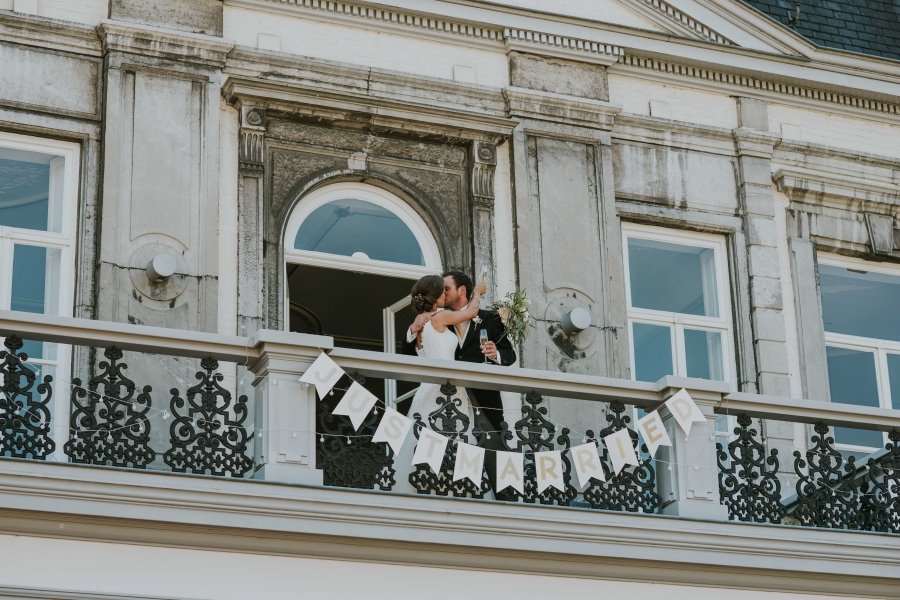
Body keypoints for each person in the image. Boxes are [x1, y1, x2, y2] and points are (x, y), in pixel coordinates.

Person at [392, 274, 487, 493]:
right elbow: (471, 312)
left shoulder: (419, 325)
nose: (446, 294)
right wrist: (476, 293)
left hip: (427, 391)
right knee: (451, 438)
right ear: (435, 295)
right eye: (442, 291)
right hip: (447, 391)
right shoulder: (439, 317)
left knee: (427, 440)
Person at [402, 270, 516, 432]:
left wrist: (495, 353)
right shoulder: (437, 319)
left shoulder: (491, 319)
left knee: (487, 453)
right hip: (445, 394)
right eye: (440, 289)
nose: (443, 292)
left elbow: (510, 355)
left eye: (446, 288)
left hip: (484, 401)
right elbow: (410, 357)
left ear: (462, 290)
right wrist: (412, 330)